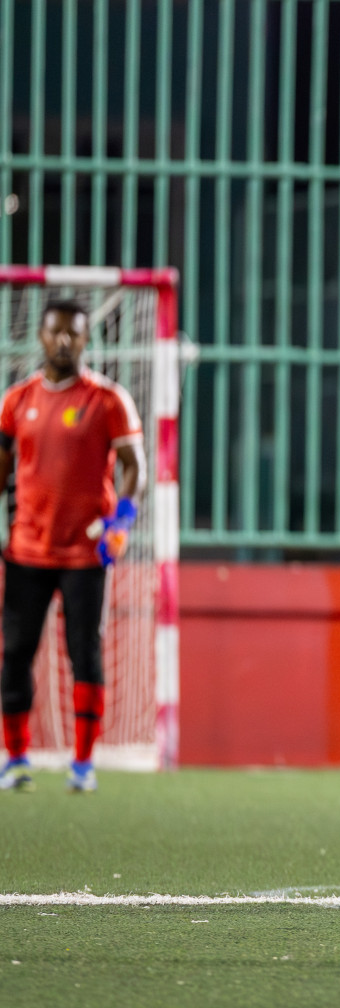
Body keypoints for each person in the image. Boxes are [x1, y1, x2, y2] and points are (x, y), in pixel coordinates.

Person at [0, 299, 144, 793]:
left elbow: (134, 468)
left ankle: (83, 764)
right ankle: (15, 757)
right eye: (55, 331)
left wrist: (122, 520)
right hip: (26, 552)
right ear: (40, 335)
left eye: (74, 334)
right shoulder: (16, 401)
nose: (64, 341)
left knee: (85, 652)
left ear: (86, 339)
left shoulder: (107, 400)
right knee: (15, 653)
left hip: (86, 556)